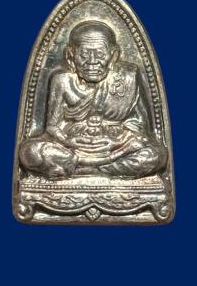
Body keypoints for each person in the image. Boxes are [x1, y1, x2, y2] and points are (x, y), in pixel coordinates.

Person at [19, 21, 167, 179]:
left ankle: (85, 170)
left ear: (113, 55)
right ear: (70, 55)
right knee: (29, 151)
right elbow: (52, 127)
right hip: (73, 147)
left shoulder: (128, 76)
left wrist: (117, 143)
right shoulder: (62, 80)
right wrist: (68, 141)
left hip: (116, 145)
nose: (92, 61)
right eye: (84, 54)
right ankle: (99, 168)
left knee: (157, 155)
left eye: (100, 54)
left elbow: (140, 126)